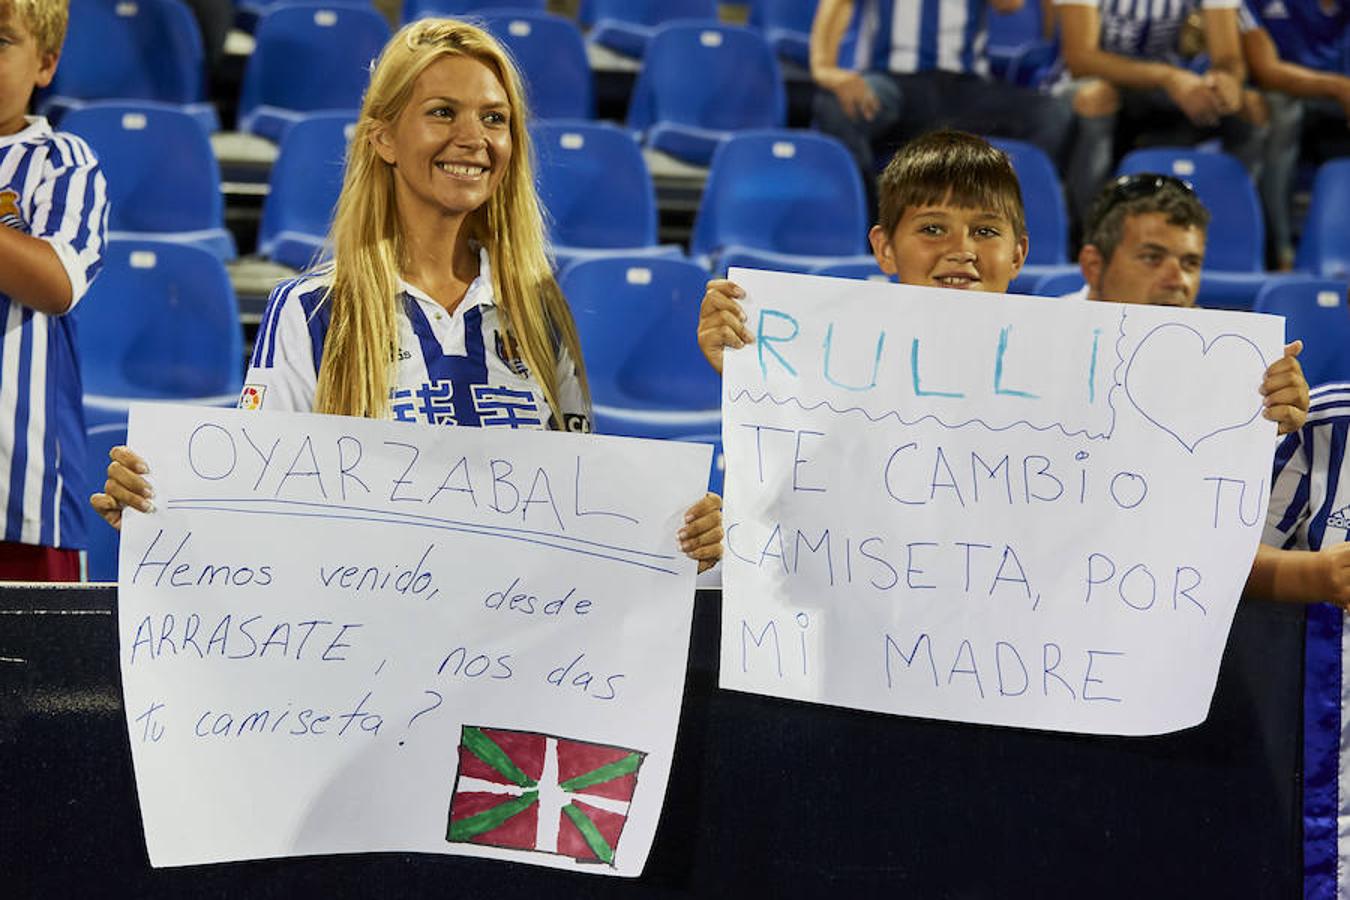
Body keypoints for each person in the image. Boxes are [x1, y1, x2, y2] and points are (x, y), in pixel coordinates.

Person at [91, 18, 722, 570]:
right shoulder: (311, 310)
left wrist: (683, 542)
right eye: (443, 112)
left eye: (494, 118)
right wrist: (161, 508)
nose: (474, 138)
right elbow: (257, 505)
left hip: (515, 665)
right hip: (365, 672)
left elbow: (582, 511)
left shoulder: (540, 310)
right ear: (384, 138)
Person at [700, 131, 1305, 440]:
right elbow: (801, 472)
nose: (961, 249)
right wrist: (750, 375)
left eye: (985, 230)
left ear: (1019, 254)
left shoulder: (1076, 358)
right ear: (884, 247)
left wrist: (1252, 413)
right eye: (933, 228)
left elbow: (1166, 462)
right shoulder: (831, 354)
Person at [0, 0, 108, 581]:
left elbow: (56, 283)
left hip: (23, 496)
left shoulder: (61, 161)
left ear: (45, 63)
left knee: (41, 668)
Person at [808, 0, 1072, 217]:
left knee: (1050, 113)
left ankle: (1015, 225)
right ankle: (874, 224)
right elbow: (837, 3)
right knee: (838, 107)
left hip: (965, 88)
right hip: (893, 81)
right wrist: (824, 68)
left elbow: (1009, 4)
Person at [1054, 0, 1262, 229]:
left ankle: (1238, 232)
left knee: (1250, 108)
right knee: (1095, 97)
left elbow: (1228, 58)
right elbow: (1081, 59)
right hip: (1097, 80)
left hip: (1166, 86)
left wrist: (1226, 82)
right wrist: (1169, 78)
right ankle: (1090, 230)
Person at [1237, 0, 1350, 269]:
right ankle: (1281, 253)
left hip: (1337, 97)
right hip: (1287, 96)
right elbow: (1266, 71)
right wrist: (1338, 87)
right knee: (1278, 114)